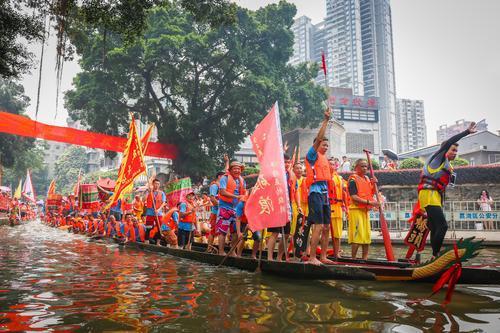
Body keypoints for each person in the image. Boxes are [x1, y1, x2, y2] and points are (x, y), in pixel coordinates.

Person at [417, 121, 477, 257]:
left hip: (435, 196)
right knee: (443, 226)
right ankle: (436, 255)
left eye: (456, 150)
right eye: (453, 150)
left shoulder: (447, 165)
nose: (455, 153)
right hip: (429, 194)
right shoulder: (437, 158)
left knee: (434, 227)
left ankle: (434, 255)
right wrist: (466, 132)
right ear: (445, 149)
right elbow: (451, 140)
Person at [304, 108, 334, 265]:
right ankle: (312, 257)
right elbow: (319, 138)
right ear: (317, 144)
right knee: (318, 225)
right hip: (315, 193)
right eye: (324, 144)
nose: (326, 147)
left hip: (324, 195)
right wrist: (326, 121)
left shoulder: (324, 159)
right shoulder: (312, 155)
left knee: (326, 227)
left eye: (328, 146)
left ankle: (322, 256)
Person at [347, 159, 379, 260]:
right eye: (362, 166)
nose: (365, 168)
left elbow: (371, 193)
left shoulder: (367, 179)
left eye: (366, 166)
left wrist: (374, 184)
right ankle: (353, 259)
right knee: (357, 236)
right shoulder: (353, 180)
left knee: (366, 237)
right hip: (356, 210)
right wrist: (370, 203)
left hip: (365, 211)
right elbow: (354, 197)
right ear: (356, 167)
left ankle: (365, 259)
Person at [216, 161, 246, 255]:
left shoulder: (242, 180)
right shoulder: (224, 178)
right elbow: (222, 192)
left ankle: (232, 252)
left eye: (239, 169)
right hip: (225, 207)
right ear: (230, 170)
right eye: (235, 168)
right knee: (223, 231)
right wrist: (236, 197)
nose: (237, 170)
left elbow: (244, 193)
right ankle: (221, 251)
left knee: (235, 232)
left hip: (236, 209)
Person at [267, 154, 293, 261]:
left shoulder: (290, 175)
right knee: (275, 233)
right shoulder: (275, 174)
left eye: (288, 162)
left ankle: (279, 257)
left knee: (286, 235)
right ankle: (269, 257)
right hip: (276, 207)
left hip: (287, 208)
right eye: (284, 162)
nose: (286, 164)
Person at [329, 157, 346, 258]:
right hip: (328, 206)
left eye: (333, 164)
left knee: (338, 233)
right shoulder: (324, 177)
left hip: (338, 208)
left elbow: (345, 193)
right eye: (330, 164)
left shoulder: (339, 178)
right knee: (326, 232)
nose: (332, 166)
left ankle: (337, 253)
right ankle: (324, 253)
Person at [207, 171, 225, 252]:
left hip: (223, 211)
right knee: (213, 231)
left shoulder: (222, 186)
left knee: (222, 231)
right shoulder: (214, 185)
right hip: (216, 212)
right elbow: (212, 198)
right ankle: (209, 248)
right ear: (219, 176)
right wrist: (220, 206)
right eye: (223, 176)